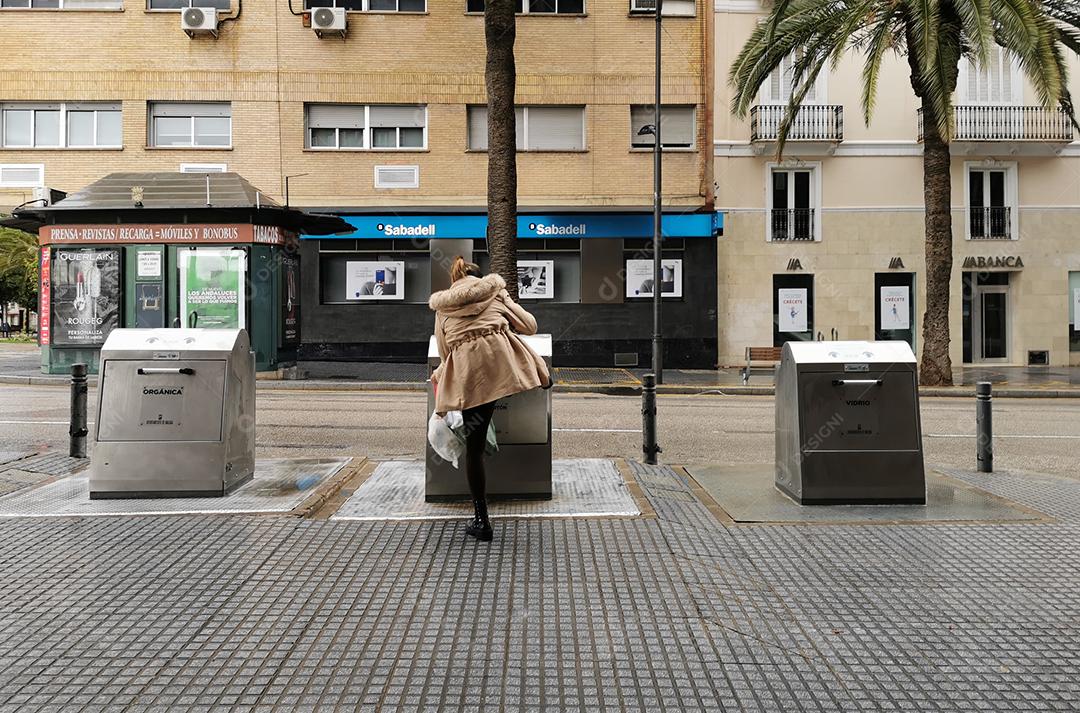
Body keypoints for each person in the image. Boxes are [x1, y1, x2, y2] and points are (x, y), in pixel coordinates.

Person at [429, 257, 551, 542]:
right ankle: (543, 379)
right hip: (504, 372)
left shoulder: (443, 308)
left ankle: (481, 520)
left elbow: (445, 352)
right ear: (479, 278)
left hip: (472, 380)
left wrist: (441, 372)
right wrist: (504, 298)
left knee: (474, 449)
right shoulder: (495, 294)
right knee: (494, 410)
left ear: (455, 282)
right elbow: (529, 326)